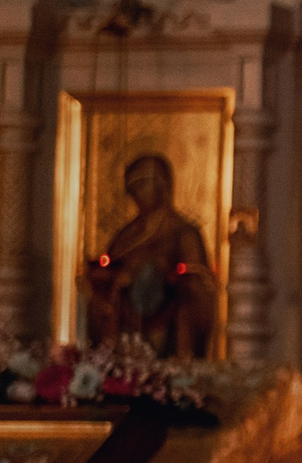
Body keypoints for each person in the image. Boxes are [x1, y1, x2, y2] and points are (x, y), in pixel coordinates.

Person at [84, 152, 219, 357]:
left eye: (140, 184)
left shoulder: (184, 232)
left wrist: (160, 270)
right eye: (131, 187)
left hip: (168, 318)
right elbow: (109, 268)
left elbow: (197, 283)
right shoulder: (126, 234)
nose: (135, 193)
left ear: (161, 185)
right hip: (124, 320)